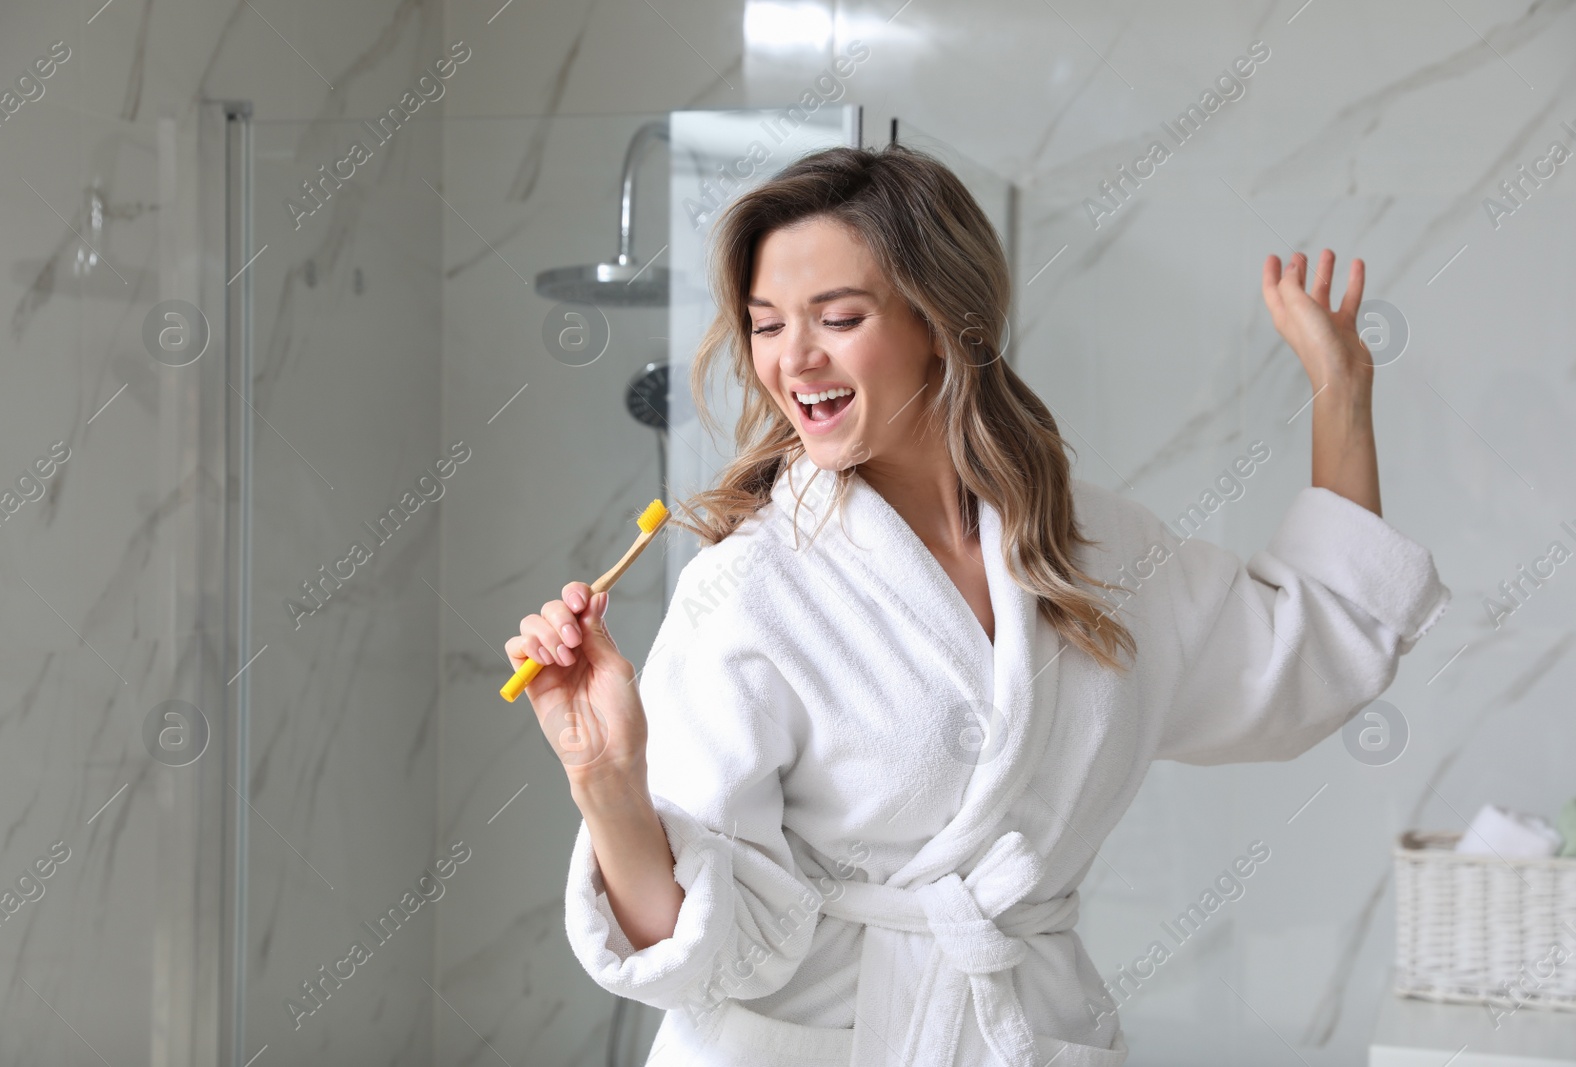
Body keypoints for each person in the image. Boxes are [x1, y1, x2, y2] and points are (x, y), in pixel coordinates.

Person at [506, 144, 1451, 1066]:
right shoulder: (749, 589)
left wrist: (1341, 392)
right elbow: (707, 954)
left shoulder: (1095, 551)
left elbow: (1303, 656)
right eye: (764, 324)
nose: (792, 359)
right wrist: (606, 780)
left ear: (941, 320)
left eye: (836, 317)